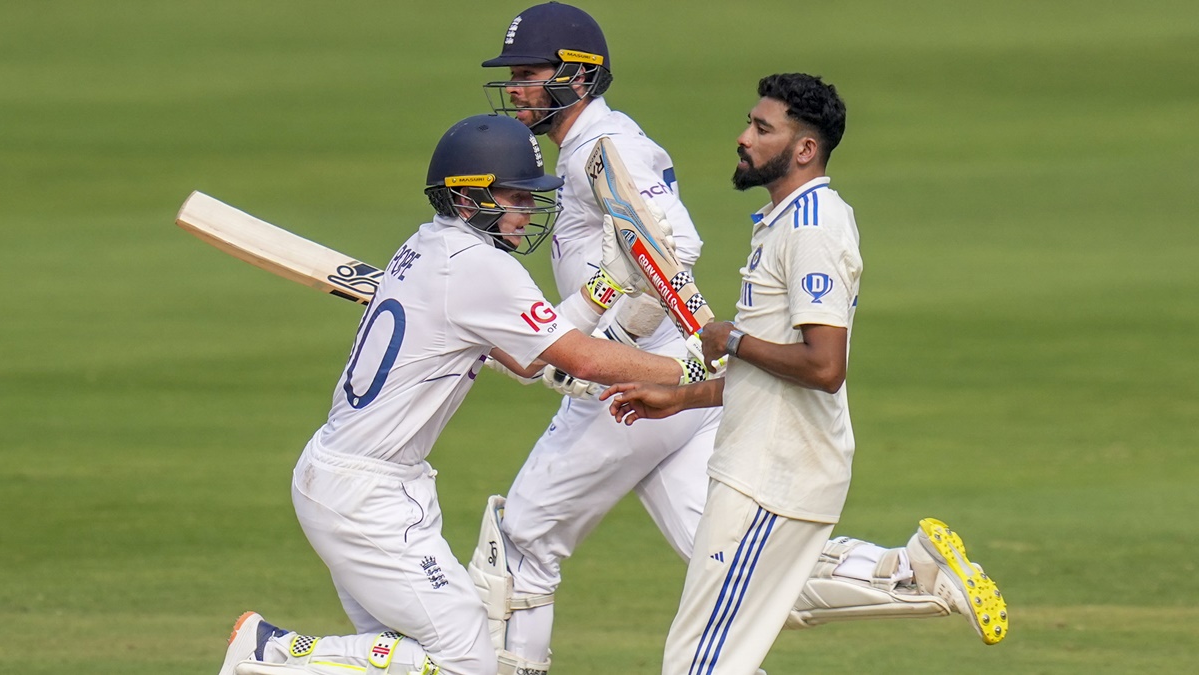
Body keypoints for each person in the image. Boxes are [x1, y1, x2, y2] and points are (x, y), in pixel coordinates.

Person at [470, 5, 1006, 675]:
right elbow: (636, 259)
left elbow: (669, 246)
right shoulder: (591, 148)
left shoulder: (604, 148)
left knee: (521, 541)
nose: (516, 88)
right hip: (672, 383)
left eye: (528, 74)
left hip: (635, 374)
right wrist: (587, 337)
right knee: (735, 571)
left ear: (577, 77)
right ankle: (908, 573)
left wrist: (600, 343)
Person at [215, 113, 709, 675]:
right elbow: (581, 358)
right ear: (469, 199)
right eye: (516, 197)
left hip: (357, 480)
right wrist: (689, 368)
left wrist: (606, 286)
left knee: (409, 660)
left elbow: (526, 360)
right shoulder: (478, 266)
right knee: (467, 663)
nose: (528, 210)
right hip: (365, 497)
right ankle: (270, 653)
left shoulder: (429, 246)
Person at [604, 74, 1008, 674]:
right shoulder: (787, 220)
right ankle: (916, 572)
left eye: (761, 128)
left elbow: (823, 366)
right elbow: (772, 375)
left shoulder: (812, 229)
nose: (743, 137)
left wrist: (730, 339)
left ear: (804, 149)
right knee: (733, 648)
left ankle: (918, 572)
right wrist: (684, 397)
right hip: (769, 465)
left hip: (771, 475)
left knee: (700, 664)